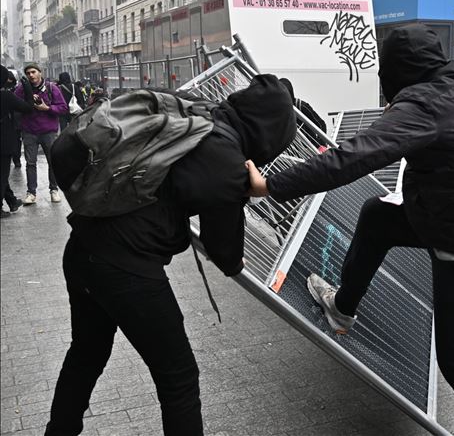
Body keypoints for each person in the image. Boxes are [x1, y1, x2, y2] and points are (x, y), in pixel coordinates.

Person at [246, 24, 454, 436]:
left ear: (397, 71)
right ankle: (342, 309)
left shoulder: (426, 104)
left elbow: (352, 158)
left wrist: (270, 185)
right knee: (379, 216)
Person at [45, 75, 298, 436]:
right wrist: (246, 192)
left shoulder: (198, 116)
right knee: (178, 377)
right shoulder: (228, 159)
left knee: (86, 351)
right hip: (127, 269)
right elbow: (224, 253)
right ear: (270, 134)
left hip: (83, 248)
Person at [13, 63, 68, 205]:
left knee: (52, 162)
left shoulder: (52, 88)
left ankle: (54, 190)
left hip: (48, 131)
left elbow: (63, 108)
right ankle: (31, 193)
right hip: (29, 131)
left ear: (40, 72)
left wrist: (47, 108)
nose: (31, 75)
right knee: (30, 163)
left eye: (33, 72)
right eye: (28, 73)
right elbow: (15, 106)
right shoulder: (21, 89)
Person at [1, 65, 30, 218]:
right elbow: (28, 107)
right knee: (2, 175)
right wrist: (27, 88)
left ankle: (11, 201)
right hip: (4, 141)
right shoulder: (6, 96)